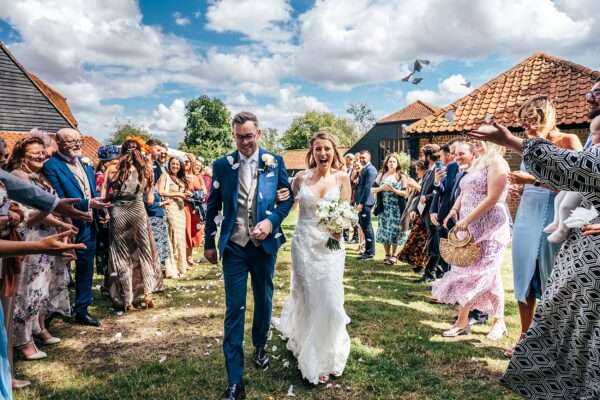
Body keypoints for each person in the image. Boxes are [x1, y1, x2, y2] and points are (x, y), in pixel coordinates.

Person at [468, 115, 600, 399]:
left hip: (592, 257)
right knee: (567, 318)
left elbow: (576, 167)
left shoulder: (584, 150)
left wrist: (510, 141)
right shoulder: (593, 145)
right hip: (582, 247)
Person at [204, 111, 293, 400]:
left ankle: (260, 345)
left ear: (259, 134)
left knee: (264, 299)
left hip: (264, 247)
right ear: (234, 136)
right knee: (235, 308)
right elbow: (213, 205)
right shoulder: (222, 165)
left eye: (249, 136)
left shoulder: (274, 162)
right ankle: (235, 381)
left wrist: (271, 222)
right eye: (240, 137)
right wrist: (208, 240)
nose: (245, 142)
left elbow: (287, 198)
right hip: (234, 246)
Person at [505, 96, 581, 356]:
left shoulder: (568, 141)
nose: (526, 129)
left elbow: (579, 186)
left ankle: (555, 345)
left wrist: (534, 181)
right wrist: (518, 189)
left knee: (553, 282)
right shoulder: (529, 144)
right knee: (524, 277)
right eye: (523, 124)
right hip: (527, 216)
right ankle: (525, 339)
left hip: (555, 217)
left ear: (546, 119)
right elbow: (527, 181)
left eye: (531, 123)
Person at [274, 130, 351, 384]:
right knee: (308, 298)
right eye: (318, 149)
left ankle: (331, 352)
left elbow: (346, 211)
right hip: (304, 244)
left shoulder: (342, 178)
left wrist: (341, 226)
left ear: (334, 151)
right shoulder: (300, 178)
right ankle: (312, 356)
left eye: (327, 148)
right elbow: (286, 203)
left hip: (330, 247)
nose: (322, 153)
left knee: (329, 300)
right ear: (312, 153)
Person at [433, 139, 511, 340]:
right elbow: (465, 191)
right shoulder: (478, 163)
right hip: (469, 227)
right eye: (475, 139)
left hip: (490, 227)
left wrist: (466, 220)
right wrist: (454, 210)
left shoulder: (498, 163)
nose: (476, 142)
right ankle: (479, 321)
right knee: (474, 273)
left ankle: (476, 321)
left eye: (481, 139)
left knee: (485, 274)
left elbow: (492, 198)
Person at [7, 137, 75, 359]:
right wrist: (62, 221)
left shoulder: (40, 176)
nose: (41, 156)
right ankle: (22, 341)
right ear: (21, 156)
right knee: (28, 290)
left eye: (42, 152)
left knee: (43, 289)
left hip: (46, 235)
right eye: (35, 152)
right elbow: (32, 212)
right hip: (31, 236)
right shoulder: (18, 176)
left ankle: (39, 328)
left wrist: (61, 222)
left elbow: (48, 206)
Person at [42, 128, 109, 327]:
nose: (77, 144)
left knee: (86, 267)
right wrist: (89, 204)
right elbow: (60, 198)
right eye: (71, 141)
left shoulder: (85, 163)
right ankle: (50, 311)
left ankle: (82, 309)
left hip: (89, 223)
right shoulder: (51, 166)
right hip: (64, 224)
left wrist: (100, 211)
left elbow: (92, 190)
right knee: (58, 269)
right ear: (59, 143)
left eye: (78, 140)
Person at [102, 139, 160, 311]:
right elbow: (150, 201)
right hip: (138, 210)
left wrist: (117, 197)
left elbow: (104, 196)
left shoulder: (112, 169)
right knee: (144, 251)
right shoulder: (147, 170)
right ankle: (147, 293)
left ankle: (127, 299)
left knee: (121, 253)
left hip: (118, 211)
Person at [411, 144, 442, 281]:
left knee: (434, 243)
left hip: (434, 211)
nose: (422, 158)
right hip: (425, 211)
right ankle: (431, 271)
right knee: (431, 242)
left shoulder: (439, 169)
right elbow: (422, 191)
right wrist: (415, 209)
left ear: (429, 155)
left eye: (423, 155)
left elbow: (440, 191)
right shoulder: (429, 170)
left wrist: (427, 198)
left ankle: (431, 273)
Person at [429, 142, 460, 276]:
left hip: (461, 216)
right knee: (444, 251)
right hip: (444, 214)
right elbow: (441, 191)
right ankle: (444, 279)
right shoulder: (450, 168)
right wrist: (433, 210)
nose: (455, 155)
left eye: (457, 152)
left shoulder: (468, 168)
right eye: (454, 152)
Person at [373, 153, 409, 265]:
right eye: (390, 161)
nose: (392, 163)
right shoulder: (381, 175)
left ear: (397, 163)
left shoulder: (401, 176)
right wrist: (381, 188)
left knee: (395, 232)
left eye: (394, 161)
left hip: (396, 208)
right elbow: (372, 189)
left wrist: (393, 190)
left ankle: (394, 255)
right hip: (384, 208)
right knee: (384, 231)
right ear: (386, 163)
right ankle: (387, 254)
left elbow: (405, 193)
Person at [158, 157, 189, 278]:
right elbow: (160, 192)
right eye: (173, 164)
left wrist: (186, 194)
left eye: (177, 164)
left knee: (180, 237)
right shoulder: (165, 176)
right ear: (169, 165)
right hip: (171, 209)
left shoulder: (180, 178)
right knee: (172, 236)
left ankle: (181, 266)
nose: (175, 166)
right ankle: (172, 268)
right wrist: (178, 194)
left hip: (181, 211)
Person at [398, 160, 429, 271]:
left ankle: (421, 264)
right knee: (416, 239)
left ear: (423, 169)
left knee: (420, 239)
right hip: (418, 211)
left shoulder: (427, 178)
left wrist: (415, 185)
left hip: (424, 212)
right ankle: (418, 263)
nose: (416, 172)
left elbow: (424, 193)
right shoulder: (421, 179)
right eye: (416, 169)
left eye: (418, 169)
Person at [184, 154, 206, 265]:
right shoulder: (179, 175)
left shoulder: (196, 177)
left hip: (194, 208)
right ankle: (185, 258)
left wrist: (193, 195)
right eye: (184, 162)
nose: (185, 164)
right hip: (183, 207)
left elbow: (203, 193)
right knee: (185, 231)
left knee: (194, 231)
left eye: (187, 162)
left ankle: (189, 256)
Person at [355, 150, 377, 260]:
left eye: (364, 157)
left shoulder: (371, 170)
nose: (362, 159)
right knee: (363, 226)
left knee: (367, 227)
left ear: (369, 158)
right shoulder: (364, 169)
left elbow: (368, 188)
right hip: (362, 202)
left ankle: (370, 252)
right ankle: (367, 250)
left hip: (366, 202)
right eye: (361, 158)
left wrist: (361, 203)